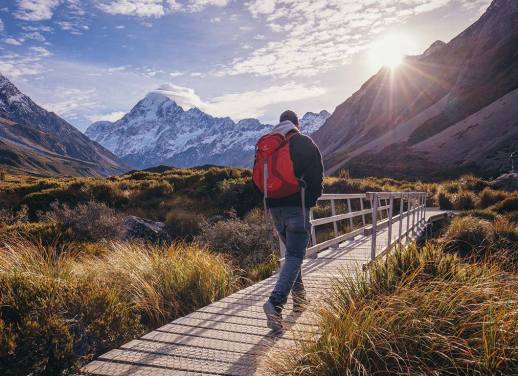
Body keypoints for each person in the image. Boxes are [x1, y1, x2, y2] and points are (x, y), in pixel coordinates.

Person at [252, 110, 324, 332]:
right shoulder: (303, 141)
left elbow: (256, 177)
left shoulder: (267, 144)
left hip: (275, 208)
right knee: (295, 255)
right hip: (298, 207)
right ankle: (275, 303)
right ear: (296, 123)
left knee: (292, 254)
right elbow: (317, 176)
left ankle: (300, 299)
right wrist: (310, 200)